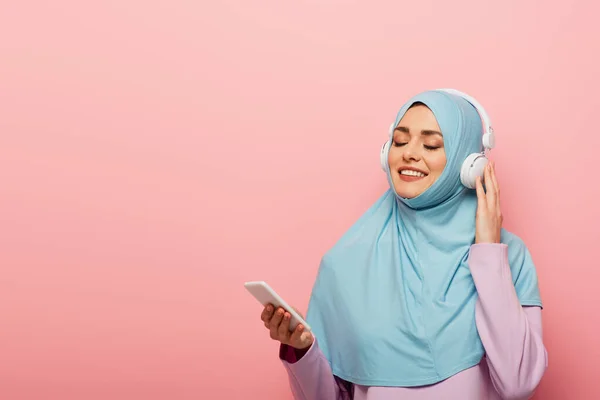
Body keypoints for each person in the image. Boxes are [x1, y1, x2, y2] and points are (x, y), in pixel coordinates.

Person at [259, 89, 547, 400]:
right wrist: (302, 351)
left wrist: (489, 255)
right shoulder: (345, 263)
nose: (409, 153)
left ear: (470, 163)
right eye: (399, 141)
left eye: (431, 144)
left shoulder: (508, 257)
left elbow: (519, 383)